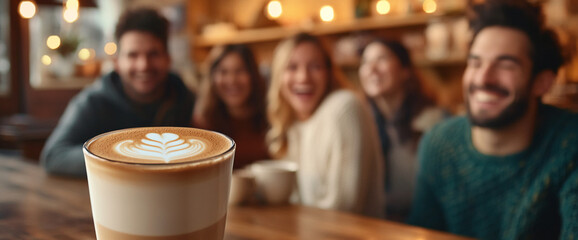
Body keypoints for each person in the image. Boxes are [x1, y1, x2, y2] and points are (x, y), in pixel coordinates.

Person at [407, 1, 578, 239]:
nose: (483, 79)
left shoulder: (570, 145)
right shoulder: (438, 144)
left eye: (505, 64)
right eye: (475, 62)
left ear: (542, 82)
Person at [40, 8, 194, 177]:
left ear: (168, 59)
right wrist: (125, 157)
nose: (143, 65)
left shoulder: (186, 98)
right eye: (132, 55)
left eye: (153, 54)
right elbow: (54, 156)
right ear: (117, 62)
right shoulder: (93, 102)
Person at [267, 33, 385, 218]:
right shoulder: (293, 126)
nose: (303, 77)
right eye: (292, 67)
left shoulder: (343, 108)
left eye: (315, 67)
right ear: (279, 77)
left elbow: (342, 211)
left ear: (329, 73)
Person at [358, 39, 447, 222]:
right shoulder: (359, 123)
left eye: (382, 59)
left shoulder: (434, 122)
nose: (371, 69)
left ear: (405, 71)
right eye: (365, 61)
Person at [193, 44, 269, 169]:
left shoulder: (270, 116)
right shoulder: (203, 123)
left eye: (240, 71)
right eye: (224, 72)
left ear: (253, 75)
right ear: (212, 78)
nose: (232, 80)